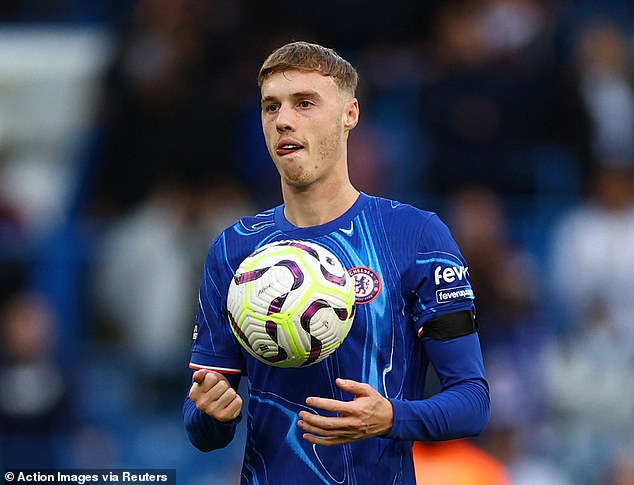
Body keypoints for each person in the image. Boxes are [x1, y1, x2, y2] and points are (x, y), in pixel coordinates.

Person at [183, 41, 490, 484]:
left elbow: (472, 401)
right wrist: (213, 414)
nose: (283, 120)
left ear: (350, 114)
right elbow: (201, 423)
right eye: (271, 107)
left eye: (304, 103)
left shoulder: (416, 236)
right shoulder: (234, 250)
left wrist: (390, 417)